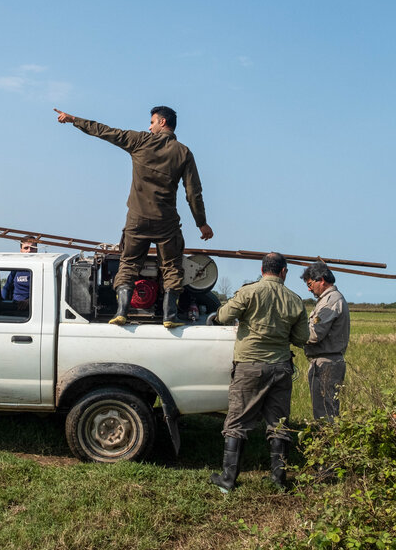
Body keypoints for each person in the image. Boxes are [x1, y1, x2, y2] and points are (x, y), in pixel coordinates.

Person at [55, 106, 213, 328]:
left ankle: (122, 313)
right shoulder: (183, 153)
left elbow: (104, 131)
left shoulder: (140, 141)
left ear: (163, 122)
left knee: (128, 263)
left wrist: (74, 120)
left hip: (137, 219)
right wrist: (201, 223)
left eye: (152, 122)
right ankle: (169, 316)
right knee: (171, 267)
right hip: (166, 222)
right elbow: (193, 193)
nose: (149, 127)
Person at [210, 253, 309, 492]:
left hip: (249, 366)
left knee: (238, 422)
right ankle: (278, 480)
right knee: (279, 424)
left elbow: (223, 316)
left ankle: (228, 479)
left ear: (262, 269)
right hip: (281, 367)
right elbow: (302, 338)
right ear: (283, 272)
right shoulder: (295, 300)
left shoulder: (249, 292)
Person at [301, 262, 350, 421]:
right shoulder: (328, 299)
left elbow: (314, 334)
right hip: (325, 361)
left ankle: (328, 444)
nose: (309, 289)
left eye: (310, 284)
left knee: (326, 413)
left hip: (326, 363)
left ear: (321, 280)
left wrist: (294, 333)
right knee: (324, 410)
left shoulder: (331, 300)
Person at [2, 238, 37, 309]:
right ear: (21, 250)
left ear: (37, 250)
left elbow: (46, 293)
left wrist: (29, 301)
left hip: (33, 309)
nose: (29, 251)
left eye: (32, 248)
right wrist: (2, 303)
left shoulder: (42, 269)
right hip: (15, 307)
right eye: (26, 248)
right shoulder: (16, 269)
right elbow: (6, 288)